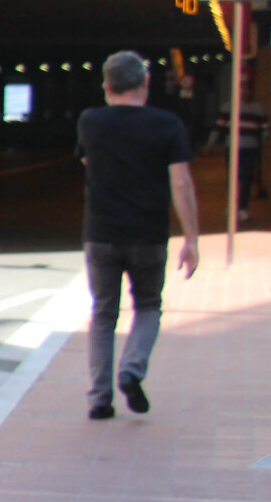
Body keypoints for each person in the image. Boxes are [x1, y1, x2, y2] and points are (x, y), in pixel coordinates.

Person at [75, 50, 199, 419]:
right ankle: (132, 367)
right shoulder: (167, 125)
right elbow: (181, 182)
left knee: (103, 314)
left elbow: (87, 161)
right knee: (147, 306)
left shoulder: (90, 121)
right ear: (145, 84)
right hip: (149, 234)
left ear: (106, 87)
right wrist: (191, 238)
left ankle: (99, 398)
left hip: (101, 233)